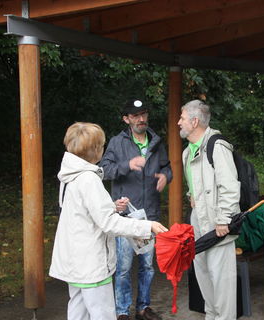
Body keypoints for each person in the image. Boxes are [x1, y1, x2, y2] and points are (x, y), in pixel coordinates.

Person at [49, 122, 168, 320]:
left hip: (75, 261)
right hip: (91, 263)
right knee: (102, 313)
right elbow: (109, 223)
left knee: (77, 311)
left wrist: (111, 207)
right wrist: (148, 226)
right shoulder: (88, 179)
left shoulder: (69, 175)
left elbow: (82, 211)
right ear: (95, 150)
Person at [100, 99, 172, 320]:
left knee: (147, 267)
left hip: (149, 215)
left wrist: (165, 177)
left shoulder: (156, 142)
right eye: (135, 116)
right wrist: (127, 165)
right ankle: (122, 311)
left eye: (144, 114)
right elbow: (104, 169)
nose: (141, 119)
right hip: (125, 216)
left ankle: (143, 308)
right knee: (123, 268)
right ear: (126, 119)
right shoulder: (116, 142)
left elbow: (166, 166)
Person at [178, 99, 240, 320]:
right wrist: (191, 197)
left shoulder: (217, 145)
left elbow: (230, 187)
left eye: (182, 118)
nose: (178, 122)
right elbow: (197, 185)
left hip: (218, 221)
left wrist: (223, 220)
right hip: (199, 219)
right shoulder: (188, 152)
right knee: (203, 274)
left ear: (194, 121)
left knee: (222, 280)